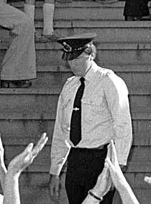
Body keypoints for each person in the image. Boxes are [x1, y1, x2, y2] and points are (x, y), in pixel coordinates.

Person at [50, 33, 132, 204]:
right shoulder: (70, 86)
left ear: (91, 54)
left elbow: (122, 124)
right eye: (70, 59)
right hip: (75, 159)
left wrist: (117, 168)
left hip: (100, 158)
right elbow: (61, 129)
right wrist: (55, 171)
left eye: (78, 58)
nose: (73, 63)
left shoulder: (108, 81)